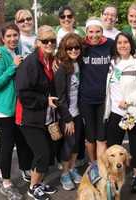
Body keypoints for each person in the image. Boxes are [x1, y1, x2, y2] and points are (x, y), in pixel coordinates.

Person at [0, 23, 33, 200]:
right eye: (9, 36)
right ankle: (6, 182)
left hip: (16, 107)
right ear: (2, 38)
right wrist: (13, 67)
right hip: (3, 109)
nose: (13, 39)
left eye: (15, 35)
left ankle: (4, 172)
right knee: (7, 144)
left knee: (15, 141)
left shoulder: (17, 51)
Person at [15, 25, 58, 200]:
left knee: (45, 153)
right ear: (38, 42)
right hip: (28, 118)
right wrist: (44, 101)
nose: (49, 43)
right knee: (42, 154)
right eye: (45, 41)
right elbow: (23, 92)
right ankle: (32, 188)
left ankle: (38, 183)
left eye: (52, 41)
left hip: (43, 117)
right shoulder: (31, 63)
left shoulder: (48, 60)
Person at [105, 32, 136, 193]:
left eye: (126, 42)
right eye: (119, 43)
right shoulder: (112, 63)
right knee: (113, 148)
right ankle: (113, 180)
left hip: (134, 113)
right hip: (116, 113)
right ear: (115, 46)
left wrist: (129, 100)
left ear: (131, 44)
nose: (122, 45)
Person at [80, 18, 114, 168]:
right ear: (86, 32)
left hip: (104, 99)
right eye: (91, 32)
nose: (94, 35)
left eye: (97, 31)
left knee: (102, 137)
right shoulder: (80, 45)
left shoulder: (110, 44)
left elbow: (127, 49)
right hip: (85, 99)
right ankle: (92, 163)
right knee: (90, 137)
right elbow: (62, 51)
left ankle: (100, 167)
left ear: (102, 31)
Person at [54, 33, 83, 190]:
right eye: (69, 48)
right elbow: (60, 97)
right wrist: (67, 118)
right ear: (64, 49)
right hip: (67, 114)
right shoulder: (62, 68)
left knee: (76, 143)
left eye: (76, 47)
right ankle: (65, 173)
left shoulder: (79, 63)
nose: (73, 50)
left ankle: (72, 168)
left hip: (78, 112)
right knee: (68, 144)